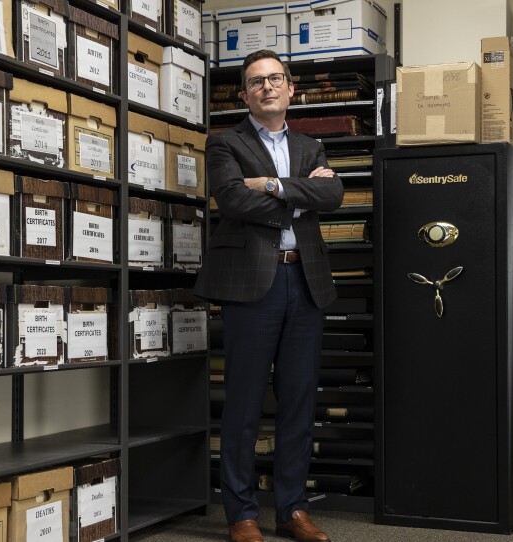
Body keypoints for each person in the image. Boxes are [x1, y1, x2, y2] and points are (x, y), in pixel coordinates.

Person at [194, 49, 343, 542]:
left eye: (275, 78)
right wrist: (299, 197)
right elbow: (233, 199)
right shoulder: (225, 143)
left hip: (305, 282)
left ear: (291, 88)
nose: (267, 87)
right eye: (256, 81)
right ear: (244, 94)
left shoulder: (309, 146)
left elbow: (333, 196)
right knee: (244, 403)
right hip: (252, 284)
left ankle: (292, 510)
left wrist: (275, 185)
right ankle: (241, 515)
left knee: (298, 401)